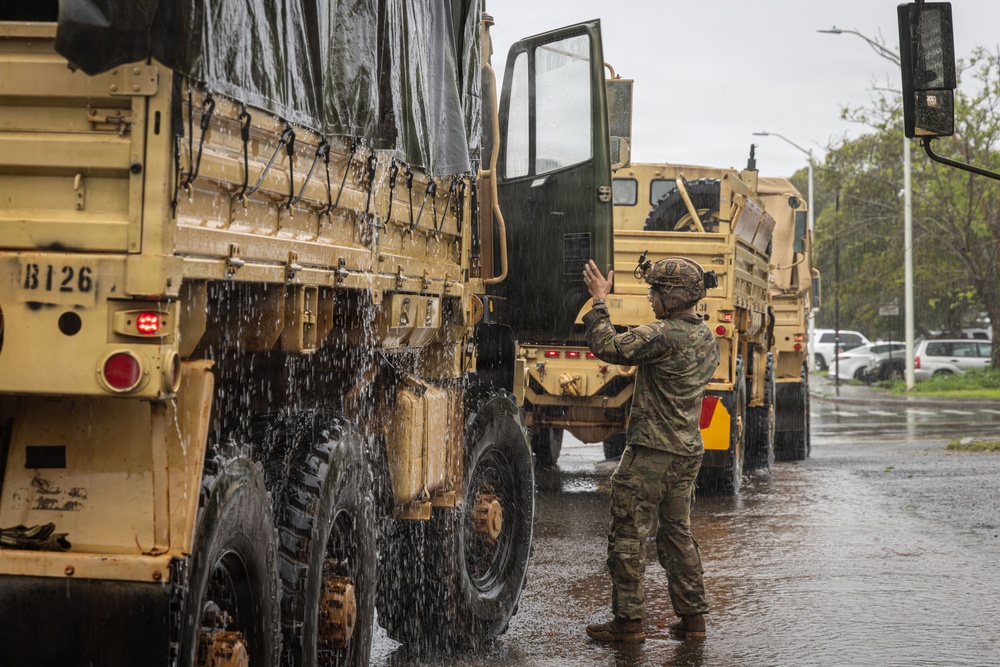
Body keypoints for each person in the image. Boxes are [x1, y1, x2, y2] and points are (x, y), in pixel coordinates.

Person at [581, 256, 720, 643]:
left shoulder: (661, 335)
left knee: (627, 533)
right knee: (677, 534)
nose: (651, 298)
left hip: (652, 452)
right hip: (688, 451)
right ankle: (693, 620)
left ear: (674, 297)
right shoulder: (707, 337)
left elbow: (607, 347)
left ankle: (628, 623)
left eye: (656, 291)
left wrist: (598, 301)